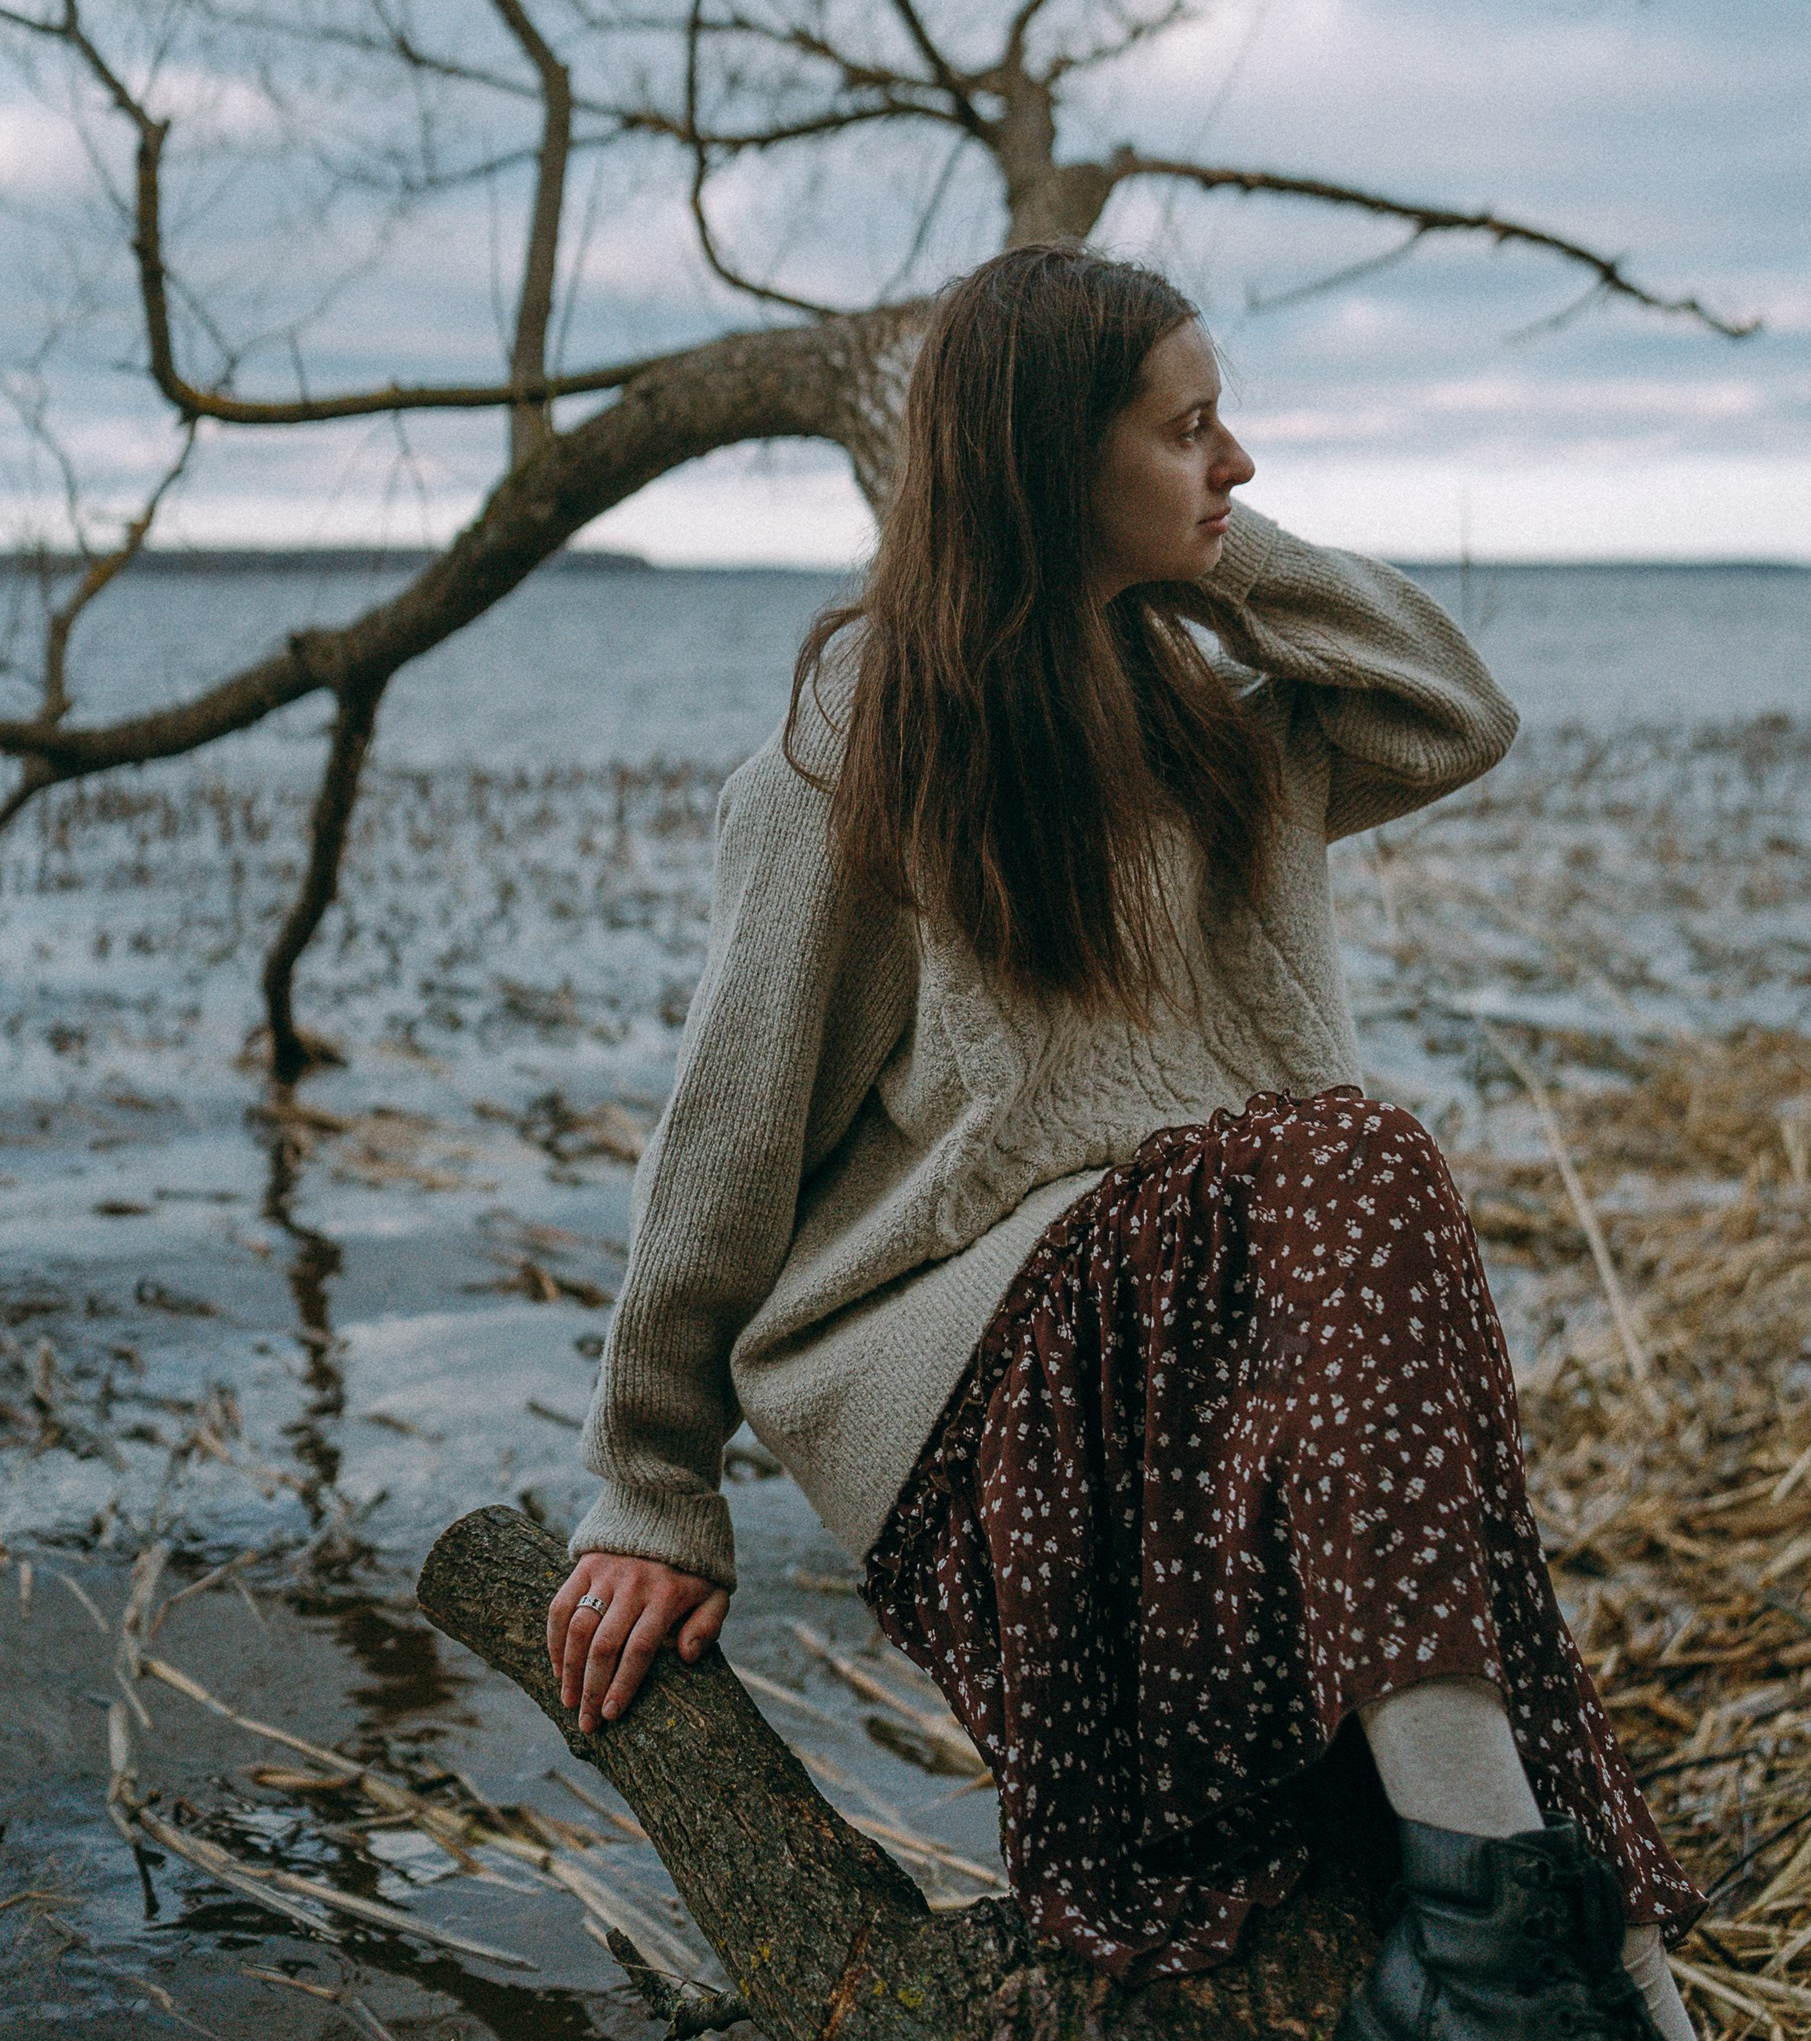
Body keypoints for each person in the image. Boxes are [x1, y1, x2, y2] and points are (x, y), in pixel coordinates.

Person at [546, 244, 1702, 2041]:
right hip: (989, 1410)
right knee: (1353, 1152)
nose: (1235, 463)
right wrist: (652, 1487)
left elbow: (1455, 711)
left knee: (1354, 1205)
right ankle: (1497, 1952)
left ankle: (1538, 1960)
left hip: (1196, 1373)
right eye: (1187, 431)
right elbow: (723, 1149)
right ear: (1048, 462)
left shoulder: (1204, 732)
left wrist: (1220, 553)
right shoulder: (851, 754)